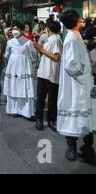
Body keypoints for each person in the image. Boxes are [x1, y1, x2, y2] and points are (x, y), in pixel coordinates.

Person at [57, 10, 95, 163]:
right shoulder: (72, 38)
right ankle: (72, 147)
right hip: (75, 85)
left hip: (83, 83)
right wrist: (89, 70)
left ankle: (87, 147)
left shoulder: (76, 35)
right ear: (76, 21)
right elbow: (72, 66)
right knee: (74, 113)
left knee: (88, 116)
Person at [3, 22, 37, 118]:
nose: (15, 31)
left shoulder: (28, 42)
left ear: (22, 30)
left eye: (17, 29)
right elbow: (6, 55)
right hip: (13, 68)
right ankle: (14, 110)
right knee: (14, 86)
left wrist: (34, 68)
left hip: (25, 68)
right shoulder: (9, 42)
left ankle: (26, 112)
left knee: (25, 87)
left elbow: (33, 56)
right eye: (13, 29)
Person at [33, 21, 62, 131]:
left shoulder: (55, 39)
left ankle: (49, 120)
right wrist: (40, 49)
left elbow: (56, 57)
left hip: (51, 73)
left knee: (50, 98)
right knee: (43, 97)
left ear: (48, 29)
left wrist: (41, 49)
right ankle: (41, 119)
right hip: (44, 72)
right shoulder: (51, 39)